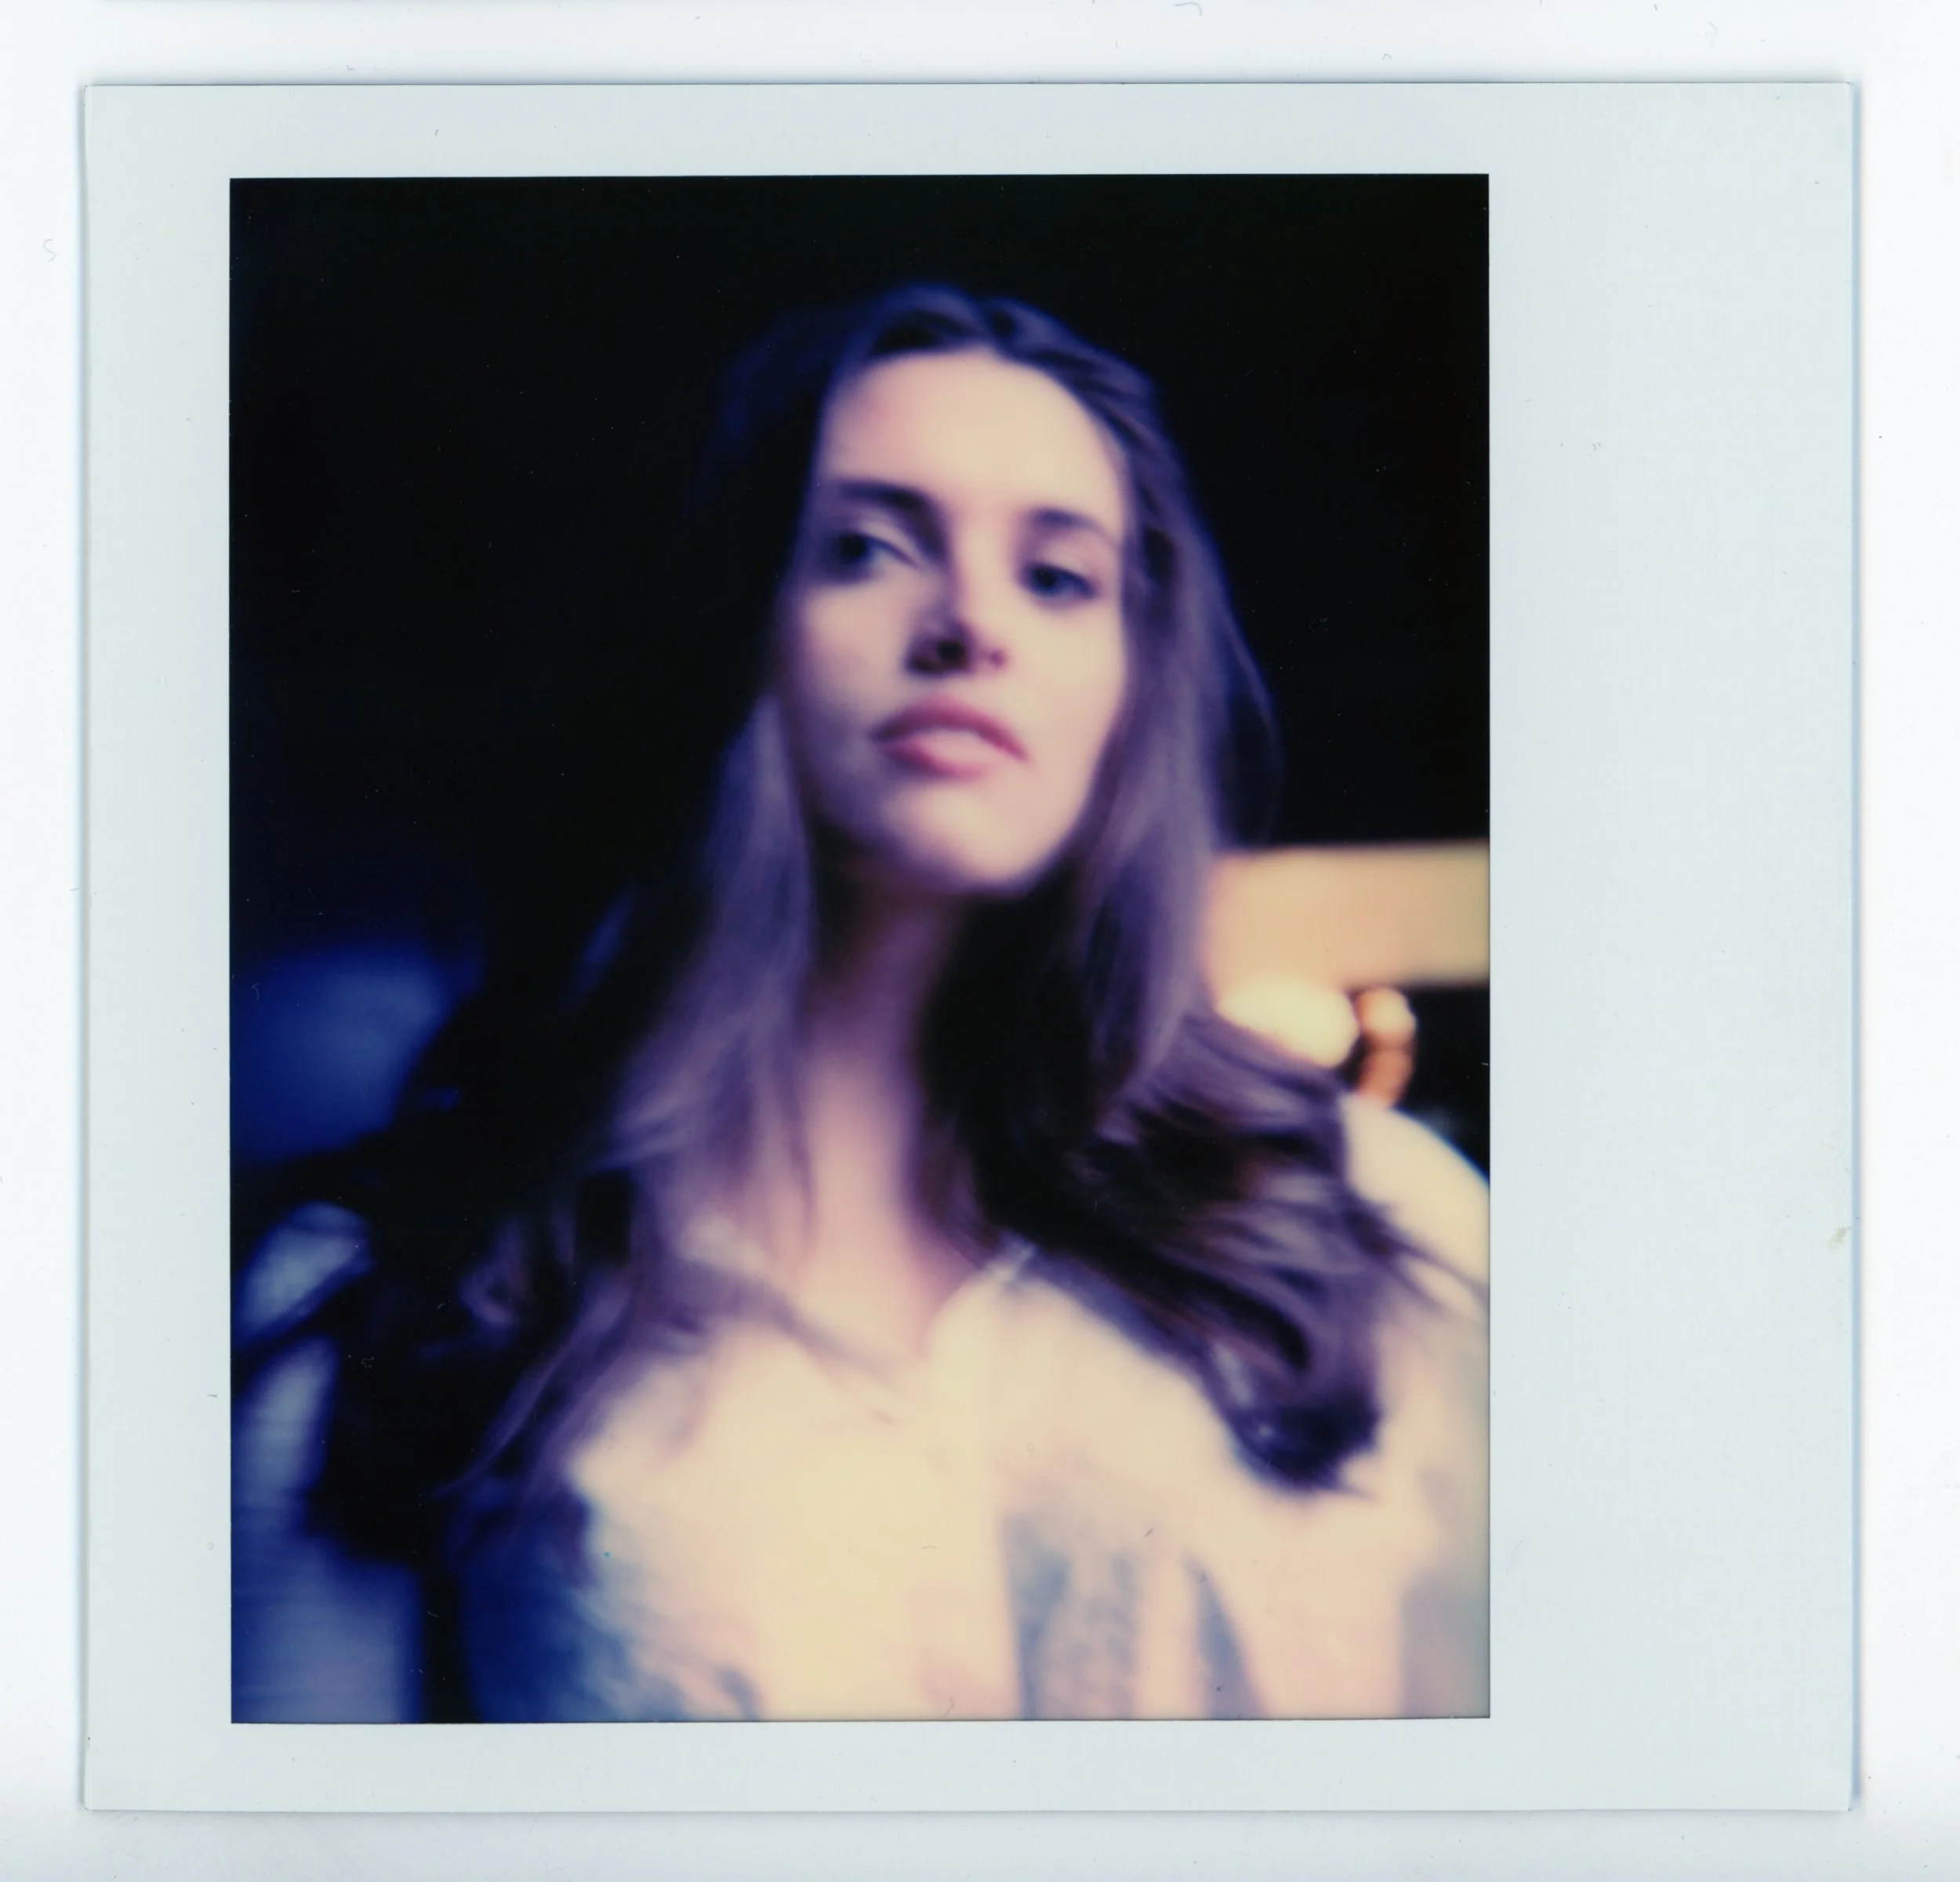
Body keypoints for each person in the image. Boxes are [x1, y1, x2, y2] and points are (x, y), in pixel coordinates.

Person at [231, 284, 1487, 1724]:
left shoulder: (1392, 1228)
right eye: (866, 550)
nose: (972, 627)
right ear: (717, 620)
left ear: (1135, 681)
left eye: (1059, 578)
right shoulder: (389, 1292)